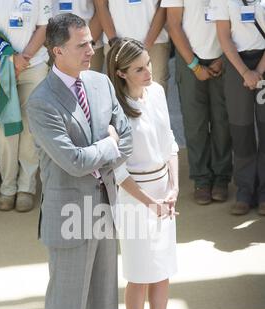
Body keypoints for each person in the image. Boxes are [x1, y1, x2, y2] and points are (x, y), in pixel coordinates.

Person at [26, 13, 142, 309]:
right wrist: (107, 145)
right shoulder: (41, 101)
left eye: (92, 42)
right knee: (66, 308)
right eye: (82, 44)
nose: (92, 50)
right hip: (68, 214)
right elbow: (72, 162)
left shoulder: (101, 82)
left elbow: (125, 136)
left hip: (104, 206)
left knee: (101, 300)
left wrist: (107, 147)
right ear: (57, 50)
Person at [107, 38, 185, 309]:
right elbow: (118, 170)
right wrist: (149, 201)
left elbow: (169, 141)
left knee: (163, 269)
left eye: (149, 64)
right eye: (139, 69)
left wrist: (174, 187)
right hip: (134, 197)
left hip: (162, 191)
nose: (148, 72)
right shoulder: (116, 108)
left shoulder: (157, 93)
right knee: (140, 274)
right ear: (121, 73)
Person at [0, 0, 51, 212]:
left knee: (30, 129)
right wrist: (10, 58)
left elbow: (44, 27)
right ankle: (8, 187)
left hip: (33, 66)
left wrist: (23, 58)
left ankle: (26, 187)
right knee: (3, 131)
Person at [162, 0, 233, 205]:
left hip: (223, 58)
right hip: (189, 62)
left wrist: (223, 58)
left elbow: (235, 23)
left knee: (222, 121)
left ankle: (222, 178)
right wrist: (194, 65)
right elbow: (173, 24)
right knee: (195, 124)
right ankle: (201, 179)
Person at [212, 0, 265, 216]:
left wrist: (258, 72)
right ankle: (245, 191)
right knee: (241, 129)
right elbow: (224, 36)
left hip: (263, 62)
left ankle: (264, 193)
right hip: (237, 66)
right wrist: (245, 72)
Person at [94, 0, 170, 93]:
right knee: (119, 94)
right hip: (116, 41)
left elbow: (164, 4)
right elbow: (100, 4)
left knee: (155, 92)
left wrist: (147, 45)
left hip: (155, 42)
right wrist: (114, 41)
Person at [51, 0, 104, 72]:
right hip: (55, 45)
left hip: (92, 43)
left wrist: (86, 44)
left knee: (89, 81)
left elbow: (101, 8)